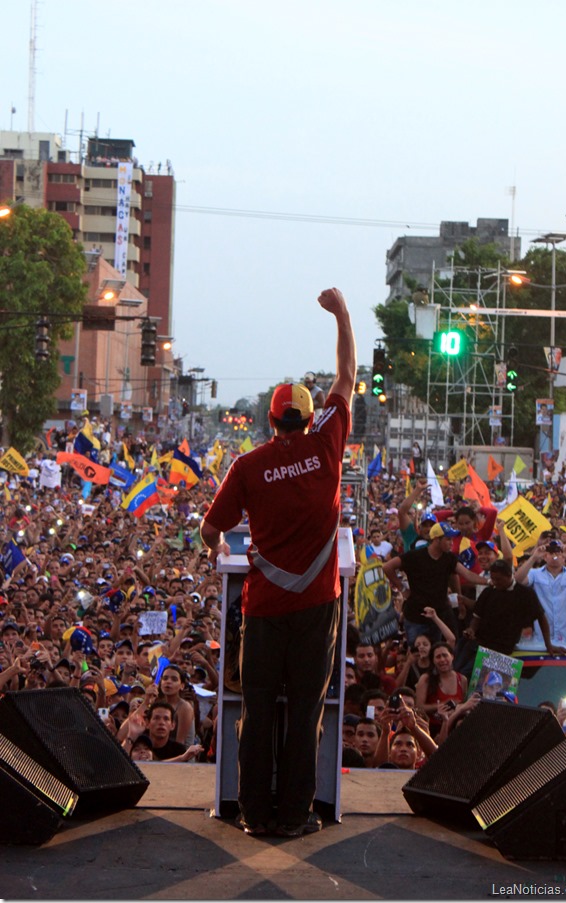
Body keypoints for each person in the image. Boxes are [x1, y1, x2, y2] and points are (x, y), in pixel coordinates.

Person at [201, 287, 356, 838]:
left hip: (262, 611)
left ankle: (252, 814)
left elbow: (210, 530)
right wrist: (341, 314)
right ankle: (295, 816)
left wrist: (220, 550)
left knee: (258, 712)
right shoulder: (329, 446)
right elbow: (346, 374)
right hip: (316, 608)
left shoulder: (247, 465)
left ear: (270, 421)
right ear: (310, 419)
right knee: (307, 714)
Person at [454, 559, 566, 677]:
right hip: (477, 645)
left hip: (500, 651)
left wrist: (548, 644)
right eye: (493, 579)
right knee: (457, 672)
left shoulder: (525, 594)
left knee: (469, 675)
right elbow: (477, 616)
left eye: (498, 579)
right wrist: (471, 629)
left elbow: (541, 618)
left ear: (509, 576)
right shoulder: (489, 592)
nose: (495, 582)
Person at [384, 523, 489, 645]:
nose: (451, 543)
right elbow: (387, 567)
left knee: (436, 652)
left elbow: (467, 574)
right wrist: (402, 588)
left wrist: (490, 581)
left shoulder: (449, 558)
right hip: (416, 617)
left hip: (437, 617)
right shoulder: (415, 556)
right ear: (437, 540)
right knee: (417, 654)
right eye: (448, 539)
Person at [514, 539, 566, 643]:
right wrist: (533, 557)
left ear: (563, 558)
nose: (554, 556)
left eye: (558, 553)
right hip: (542, 636)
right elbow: (518, 580)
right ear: (545, 557)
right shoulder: (535, 573)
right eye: (551, 553)